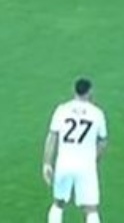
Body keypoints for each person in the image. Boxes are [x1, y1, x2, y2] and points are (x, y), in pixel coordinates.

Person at [43, 78, 108, 223]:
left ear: (74, 91)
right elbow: (103, 141)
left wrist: (47, 163)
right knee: (91, 209)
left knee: (58, 203)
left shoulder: (62, 110)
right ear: (90, 92)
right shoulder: (97, 113)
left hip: (64, 163)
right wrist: (94, 159)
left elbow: (52, 137)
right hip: (86, 165)